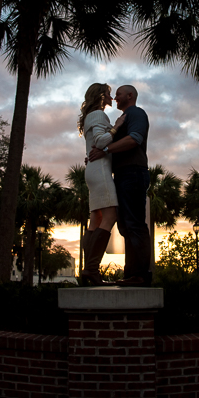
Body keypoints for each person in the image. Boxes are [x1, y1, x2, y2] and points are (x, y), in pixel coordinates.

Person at [88, 84, 150, 287]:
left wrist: (104, 150)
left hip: (134, 172)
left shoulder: (136, 113)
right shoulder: (120, 119)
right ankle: (132, 273)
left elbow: (134, 139)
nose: (115, 97)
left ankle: (140, 274)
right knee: (125, 226)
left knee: (134, 224)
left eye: (119, 94)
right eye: (113, 94)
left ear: (130, 96)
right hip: (123, 174)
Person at [78, 83, 125, 286]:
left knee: (95, 220)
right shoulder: (98, 115)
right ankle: (92, 269)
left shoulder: (91, 116)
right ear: (100, 96)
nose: (111, 96)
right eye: (107, 93)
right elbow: (99, 141)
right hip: (100, 171)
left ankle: (88, 270)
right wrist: (117, 127)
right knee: (110, 215)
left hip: (94, 170)